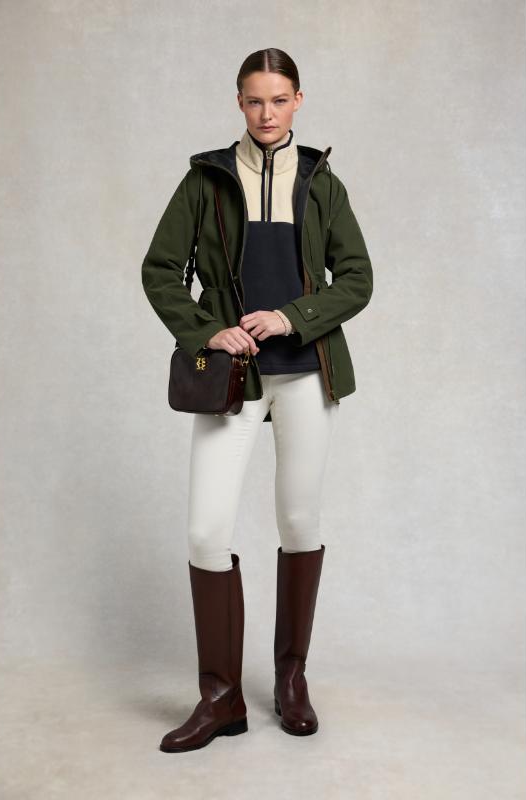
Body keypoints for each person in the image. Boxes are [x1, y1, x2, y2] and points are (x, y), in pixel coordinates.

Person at [141, 47, 373, 753]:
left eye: (278, 99)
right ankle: (221, 699)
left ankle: (291, 680)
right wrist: (204, 330)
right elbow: (160, 269)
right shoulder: (205, 179)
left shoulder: (322, 182)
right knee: (206, 531)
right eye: (253, 100)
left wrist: (291, 317)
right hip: (230, 375)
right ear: (238, 102)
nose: (266, 113)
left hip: (304, 369)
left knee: (299, 521)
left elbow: (356, 278)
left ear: (298, 100)